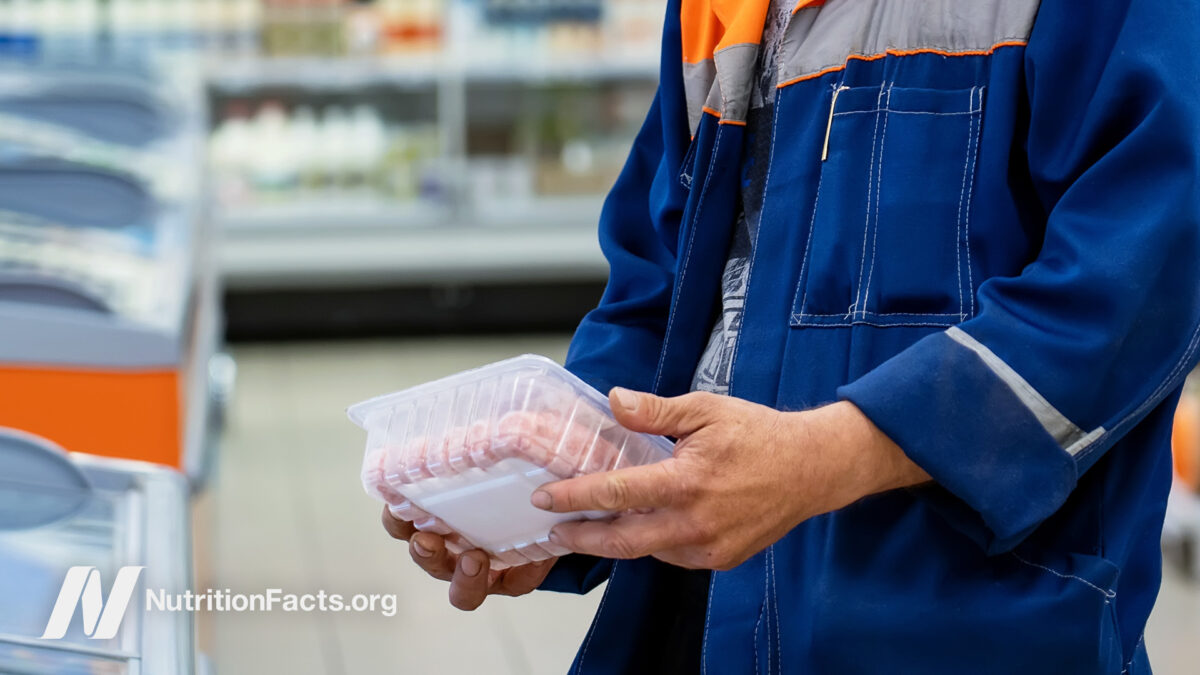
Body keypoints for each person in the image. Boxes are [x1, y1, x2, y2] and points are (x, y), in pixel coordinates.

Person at [382, 0, 1200, 671]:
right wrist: (556, 497)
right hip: (692, 620)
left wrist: (833, 454)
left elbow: (1146, 270)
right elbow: (662, 283)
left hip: (959, 622)